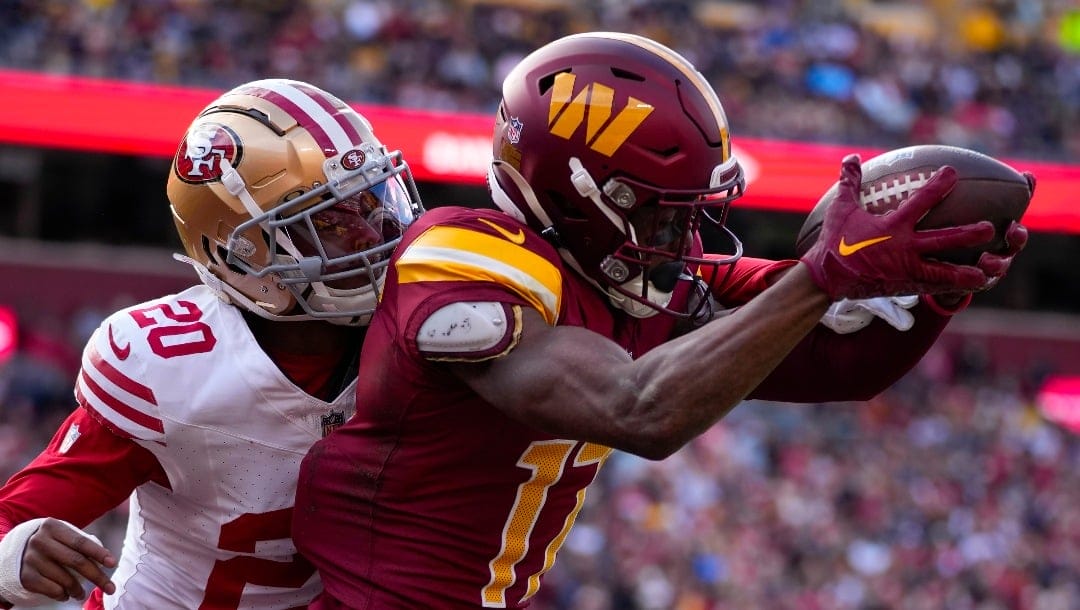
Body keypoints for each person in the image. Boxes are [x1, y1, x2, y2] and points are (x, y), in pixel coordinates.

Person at [290, 32, 1033, 609]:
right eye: (659, 210)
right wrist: (825, 274)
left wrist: (933, 276)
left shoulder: (635, 275)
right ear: (582, 190)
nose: (682, 240)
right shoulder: (459, 257)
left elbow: (841, 356)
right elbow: (638, 408)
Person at [0, 78, 424, 609]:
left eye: (372, 200)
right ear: (244, 252)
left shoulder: (423, 329)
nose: (371, 234)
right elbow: (14, 517)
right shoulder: (172, 367)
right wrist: (10, 557)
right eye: (330, 221)